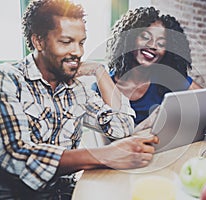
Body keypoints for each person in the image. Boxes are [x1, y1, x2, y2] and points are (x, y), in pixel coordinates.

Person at [0, 1, 158, 199]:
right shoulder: (8, 79)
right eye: (66, 42)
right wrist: (105, 155)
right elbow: (17, 155)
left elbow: (122, 128)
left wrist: (99, 71)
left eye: (81, 42)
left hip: (70, 193)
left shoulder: (76, 88)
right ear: (39, 42)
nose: (78, 52)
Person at [92, 6, 206, 139]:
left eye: (161, 43)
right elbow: (106, 144)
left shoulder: (169, 79)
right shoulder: (101, 86)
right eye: (145, 37)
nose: (153, 46)